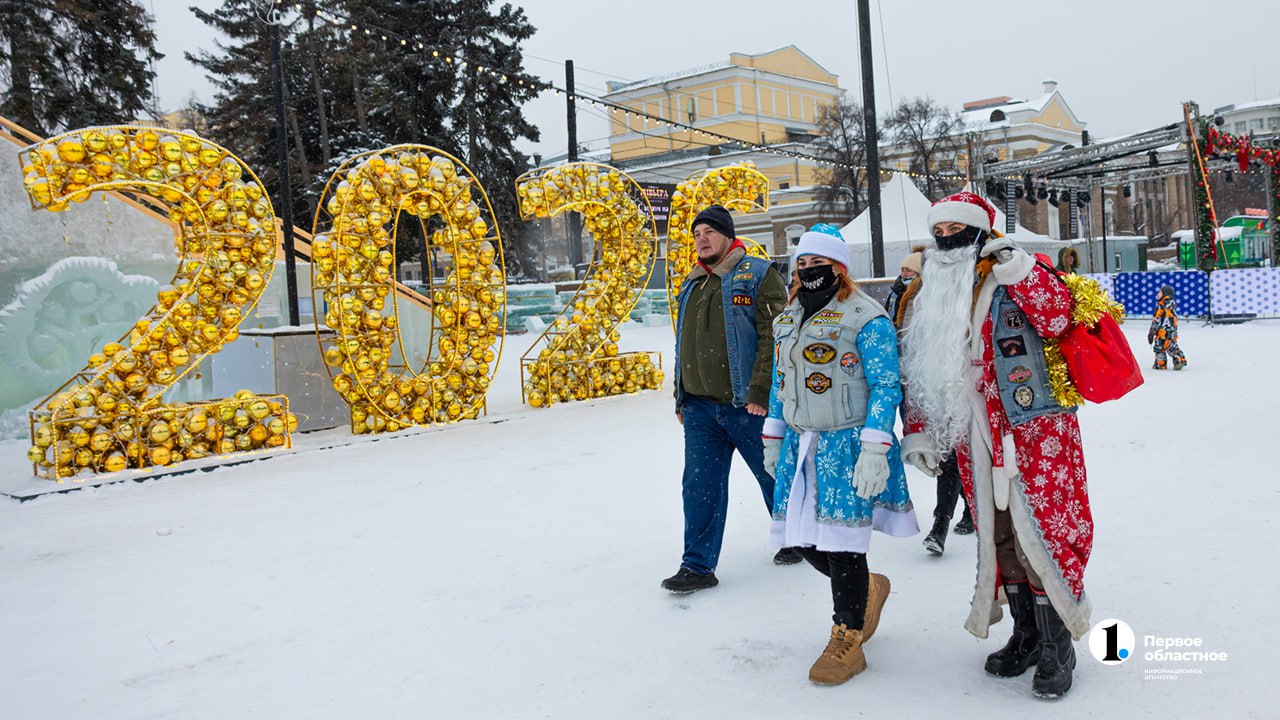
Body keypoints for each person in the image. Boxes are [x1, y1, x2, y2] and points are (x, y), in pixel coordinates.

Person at [898, 192, 1094, 699]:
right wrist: (920, 428)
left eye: (955, 230)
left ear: (981, 231)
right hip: (973, 432)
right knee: (998, 533)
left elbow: (1058, 316)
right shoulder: (927, 290)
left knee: (1041, 531)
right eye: (938, 232)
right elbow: (917, 365)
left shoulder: (1019, 270)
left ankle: (1057, 643)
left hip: (1032, 428)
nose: (946, 240)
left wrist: (1017, 267)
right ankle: (1027, 634)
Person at [761, 223, 918, 685]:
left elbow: (885, 384)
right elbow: (780, 380)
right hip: (800, 442)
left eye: (819, 262)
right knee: (800, 537)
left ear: (839, 267)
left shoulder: (866, 317)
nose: (810, 269)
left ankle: (847, 635)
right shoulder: (788, 317)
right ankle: (865, 590)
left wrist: (875, 446)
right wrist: (773, 436)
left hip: (847, 443)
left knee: (843, 543)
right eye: (803, 263)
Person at [665, 205, 801, 594]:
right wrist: (680, 394)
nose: (701, 239)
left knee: (773, 474)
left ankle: (796, 538)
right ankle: (697, 565)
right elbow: (683, 343)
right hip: (699, 410)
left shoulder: (757, 274)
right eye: (697, 234)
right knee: (699, 486)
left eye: (709, 232)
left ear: (728, 235)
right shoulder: (692, 283)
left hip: (748, 406)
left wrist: (760, 390)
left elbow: (775, 335)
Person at [884, 250, 973, 556]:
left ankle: (967, 513)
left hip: (965, 385)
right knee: (949, 458)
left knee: (964, 457)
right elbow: (905, 337)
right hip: (929, 386)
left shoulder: (961, 291)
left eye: (909, 269)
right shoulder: (908, 297)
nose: (905, 274)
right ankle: (942, 523)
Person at [1148, 285, 1187, 370]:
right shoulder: (1165, 305)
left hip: (1165, 331)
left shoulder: (1164, 305)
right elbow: (1161, 319)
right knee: (1164, 347)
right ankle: (1166, 362)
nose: (1158, 294)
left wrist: (1152, 331)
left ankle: (1174, 361)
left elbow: (1158, 319)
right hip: (1165, 331)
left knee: (1165, 347)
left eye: (1160, 292)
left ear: (1165, 294)